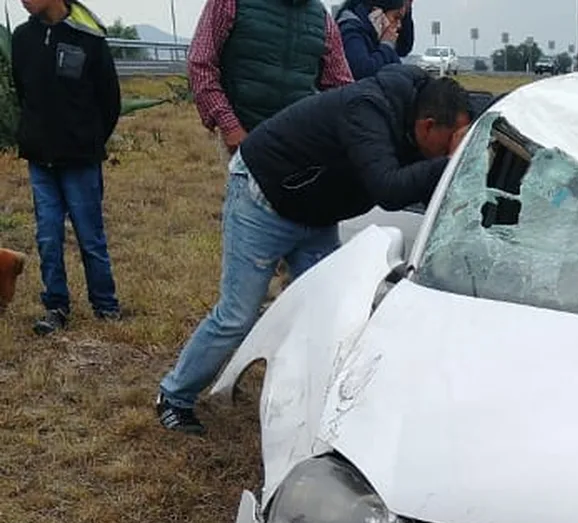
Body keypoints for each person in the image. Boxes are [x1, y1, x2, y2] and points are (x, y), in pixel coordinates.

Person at [156, 67, 473, 434]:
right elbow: (389, 189)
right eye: (451, 141)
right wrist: (451, 165)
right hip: (264, 198)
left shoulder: (413, 118)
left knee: (327, 313)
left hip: (316, 214)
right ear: (428, 126)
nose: (453, 151)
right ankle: (174, 395)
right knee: (237, 314)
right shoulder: (368, 110)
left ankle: (308, 401)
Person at [10, 0, 121, 335]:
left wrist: (86, 140)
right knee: (47, 236)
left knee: (90, 236)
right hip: (40, 160)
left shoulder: (89, 39)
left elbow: (109, 101)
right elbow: (23, 91)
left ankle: (106, 306)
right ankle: (55, 306)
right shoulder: (21, 38)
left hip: (80, 160)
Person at [187, 0, 354, 158]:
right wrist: (229, 126)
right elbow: (201, 63)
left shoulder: (322, 18)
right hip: (244, 135)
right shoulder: (231, 2)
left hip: (299, 143)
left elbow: (341, 87)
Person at [337, 0, 414, 80]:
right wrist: (386, 45)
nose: (399, 25)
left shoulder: (375, 36)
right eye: (396, 17)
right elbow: (363, 72)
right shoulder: (351, 32)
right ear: (376, 13)